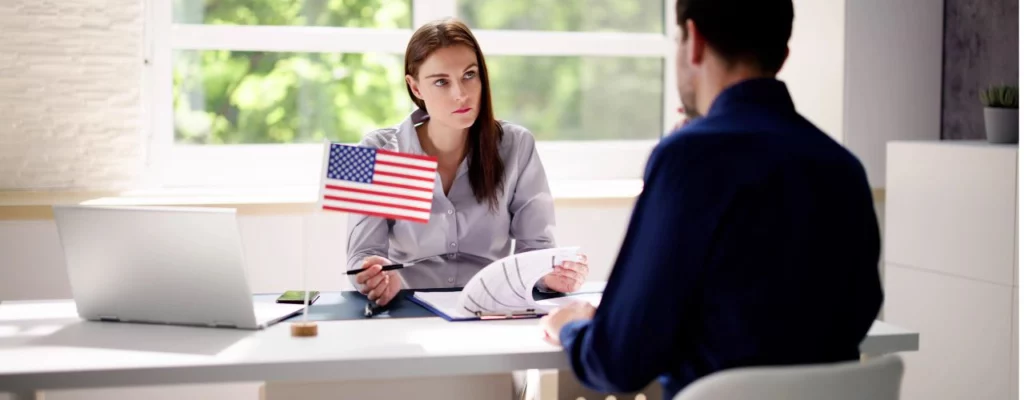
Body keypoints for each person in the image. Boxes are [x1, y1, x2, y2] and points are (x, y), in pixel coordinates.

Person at [539, 0, 884, 398]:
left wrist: (571, 324)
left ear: (695, 42)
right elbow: (856, 312)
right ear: (782, 56)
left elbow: (617, 361)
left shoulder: (688, 158)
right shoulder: (844, 168)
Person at [348, 18, 590, 306]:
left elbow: (536, 249)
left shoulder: (517, 145)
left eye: (469, 75)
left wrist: (551, 274)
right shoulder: (375, 150)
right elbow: (361, 255)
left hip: (491, 308)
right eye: (441, 81)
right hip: (407, 307)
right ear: (415, 88)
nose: (461, 94)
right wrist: (374, 273)